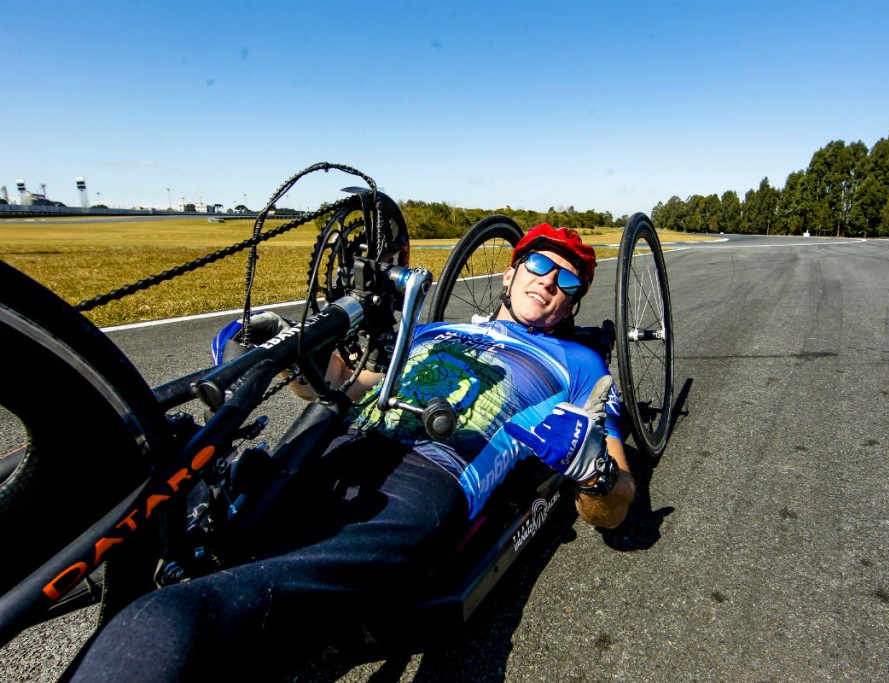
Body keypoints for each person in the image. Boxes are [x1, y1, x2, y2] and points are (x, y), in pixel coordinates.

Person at [63, 224, 635, 682]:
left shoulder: (580, 365)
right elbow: (354, 386)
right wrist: (293, 355)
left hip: (430, 479)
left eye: (568, 281)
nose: (549, 282)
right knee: (182, 514)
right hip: (339, 442)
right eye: (539, 265)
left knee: (172, 618)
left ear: (575, 302)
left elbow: (617, 507)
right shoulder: (436, 330)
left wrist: (592, 471)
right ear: (511, 273)